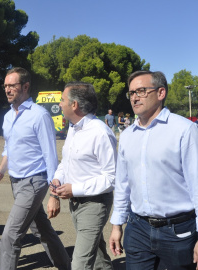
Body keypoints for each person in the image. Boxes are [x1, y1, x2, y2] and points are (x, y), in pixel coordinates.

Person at [108, 71, 198, 269]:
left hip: (178, 231)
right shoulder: (127, 136)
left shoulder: (184, 130)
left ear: (161, 93)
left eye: (141, 91)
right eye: (131, 92)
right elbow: (123, 184)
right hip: (137, 228)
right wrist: (117, 225)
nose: (134, 97)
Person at [0, 67, 70, 270]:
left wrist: (54, 194)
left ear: (25, 86)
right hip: (15, 182)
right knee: (42, 230)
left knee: (11, 235)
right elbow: (9, 147)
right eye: (5, 85)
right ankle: (65, 266)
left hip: (35, 181)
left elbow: (50, 156)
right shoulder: (8, 116)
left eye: (12, 85)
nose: (8, 89)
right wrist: (1, 169)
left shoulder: (39, 115)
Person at [47, 82, 116, 269]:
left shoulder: (100, 132)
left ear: (74, 104)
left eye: (62, 100)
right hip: (75, 202)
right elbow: (66, 162)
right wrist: (57, 179)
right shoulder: (73, 128)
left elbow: (111, 178)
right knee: (99, 258)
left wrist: (74, 188)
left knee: (80, 264)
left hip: (95, 204)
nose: (60, 104)